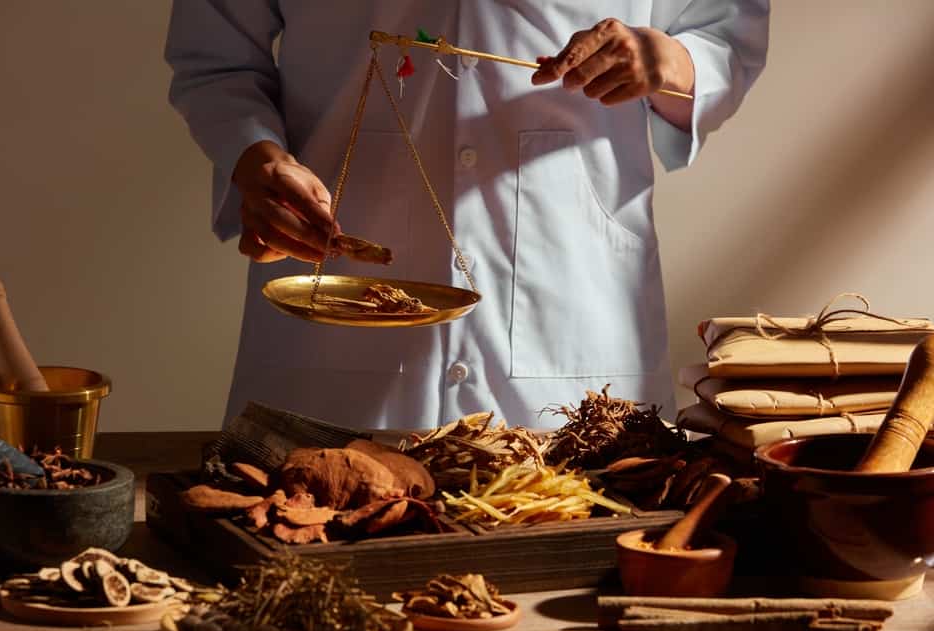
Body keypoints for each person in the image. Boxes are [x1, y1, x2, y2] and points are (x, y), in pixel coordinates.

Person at [165, 1, 769, 430]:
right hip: (336, 324)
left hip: (569, 309)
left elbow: (726, 37)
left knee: (567, 556)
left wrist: (665, 60)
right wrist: (255, 157)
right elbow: (215, 59)